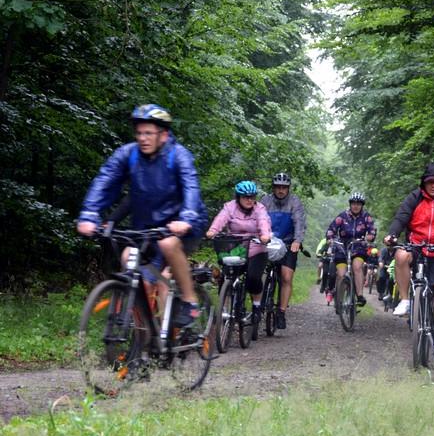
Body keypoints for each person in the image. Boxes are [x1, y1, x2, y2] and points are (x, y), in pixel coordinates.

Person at [77, 104, 208, 327]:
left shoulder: (178, 156)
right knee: (130, 261)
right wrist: (89, 214)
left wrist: (186, 219)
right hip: (146, 228)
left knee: (168, 244)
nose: (142, 138)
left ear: (163, 135)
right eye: (139, 133)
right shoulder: (128, 154)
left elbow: (191, 188)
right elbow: (105, 180)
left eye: (148, 133)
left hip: (183, 224)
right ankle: (144, 334)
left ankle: (189, 300)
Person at [384, 163, 434, 362]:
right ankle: (405, 300)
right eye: (429, 182)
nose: (433, 186)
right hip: (417, 245)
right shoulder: (415, 197)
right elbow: (402, 216)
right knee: (401, 255)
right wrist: (393, 234)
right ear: (424, 183)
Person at [205, 181, 272, 328]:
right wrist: (212, 231)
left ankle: (256, 306)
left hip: (256, 248)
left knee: (253, 279)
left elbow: (263, 222)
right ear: (238, 197)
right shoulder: (230, 207)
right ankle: (225, 309)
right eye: (245, 197)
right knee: (226, 276)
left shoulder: (259, 209)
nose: (249, 200)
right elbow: (221, 219)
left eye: (252, 197)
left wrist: (265, 235)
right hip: (236, 248)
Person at [260, 172, 306, 329]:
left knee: (286, 277)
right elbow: (258, 219)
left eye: (284, 187)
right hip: (268, 241)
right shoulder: (265, 201)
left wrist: (297, 241)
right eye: (278, 187)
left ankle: (281, 312)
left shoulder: (295, 202)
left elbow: (299, 222)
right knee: (258, 274)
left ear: (288, 188)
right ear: (273, 188)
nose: (281, 190)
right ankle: (257, 306)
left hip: (288, 243)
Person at [326, 192, 377, 306]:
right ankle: (339, 300)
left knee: (357, 267)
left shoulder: (366, 217)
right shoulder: (342, 216)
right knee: (341, 274)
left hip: (358, 247)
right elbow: (331, 229)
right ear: (350, 204)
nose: (356, 206)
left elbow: (372, 231)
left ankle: (359, 296)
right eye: (354, 203)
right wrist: (330, 239)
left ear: (362, 205)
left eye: (358, 204)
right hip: (342, 248)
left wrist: (369, 237)